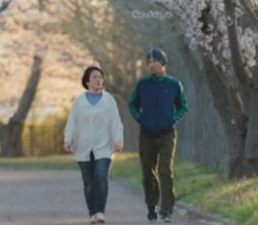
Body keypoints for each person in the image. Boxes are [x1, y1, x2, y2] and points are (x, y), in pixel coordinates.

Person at [128, 48, 188, 223]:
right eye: (149, 61)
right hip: (146, 134)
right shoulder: (142, 84)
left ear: (163, 63)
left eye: (155, 61)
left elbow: (183, 106)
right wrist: (140, 118)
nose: (151, 64)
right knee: (148, 172)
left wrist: (173, 119)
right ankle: (151, 205)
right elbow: (132, 105)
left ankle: (167, 210)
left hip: (167, 134)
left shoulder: (174, 84)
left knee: (165, 170)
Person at [64, 66, 124, 224]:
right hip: (83, 146)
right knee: (88, 182)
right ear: (87, 81)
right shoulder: (79, 102)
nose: (99, 80)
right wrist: (68, 139)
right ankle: (92, 212)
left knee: (100, 176)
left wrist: (118, 139)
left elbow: (116, 122)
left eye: (100, 77)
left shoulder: (108, 100)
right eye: (95, 77)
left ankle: (100, 212)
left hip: (104, 146)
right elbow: (71, 123)